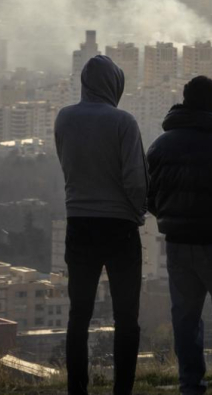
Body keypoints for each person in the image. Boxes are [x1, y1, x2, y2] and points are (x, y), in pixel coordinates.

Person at [147, 76, 212, 395]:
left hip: (178, 245)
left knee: (185, 317)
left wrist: (169, 218)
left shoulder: (160, 145)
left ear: (185, 99)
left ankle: (190, 383)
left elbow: (148, 195)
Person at [55, 55, 149, 395]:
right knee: (126, 317)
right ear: (114, 85)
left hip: (78, 223)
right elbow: (136, 180)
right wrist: (139, 211)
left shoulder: (64, 118)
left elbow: (67, 165)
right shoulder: (123, 122)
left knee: (79, 315)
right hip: (120, 227)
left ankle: (77, 389)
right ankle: (122, 389)